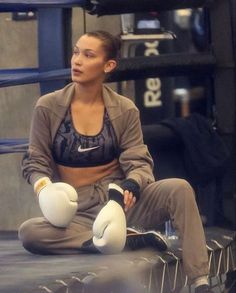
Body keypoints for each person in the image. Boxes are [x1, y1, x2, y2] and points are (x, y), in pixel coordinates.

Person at [18, 30, 212, 293]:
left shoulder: (125, 109)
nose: (77, 60)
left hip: (119, 204)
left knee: (179, 188)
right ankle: (119, 240)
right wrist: (44, 188)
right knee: (30, 233)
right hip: (77, 213)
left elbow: (139, 160)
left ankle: (200, 281)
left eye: (88, 55)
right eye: (76, 52)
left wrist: (131, 185)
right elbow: (35, 160)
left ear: (108, 65)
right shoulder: (48, 107)